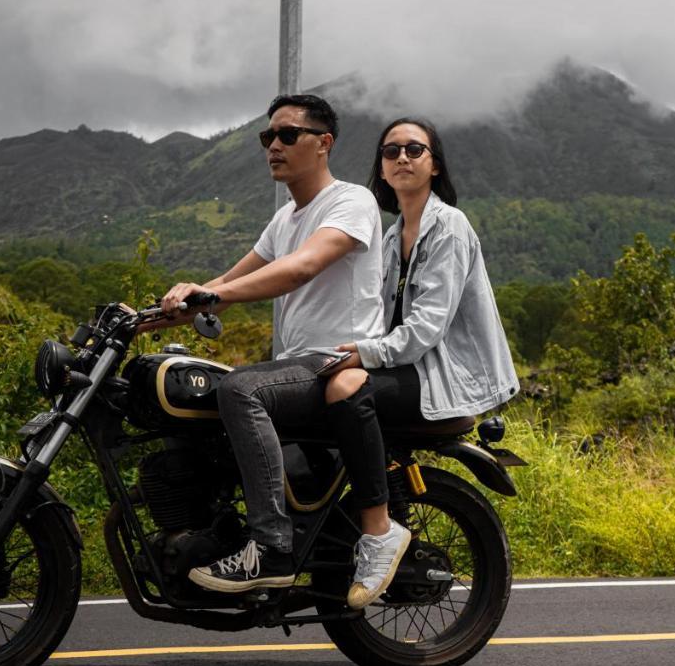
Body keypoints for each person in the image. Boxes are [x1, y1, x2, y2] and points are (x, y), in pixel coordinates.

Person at [151, 93, 388, 593]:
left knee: (240, 388)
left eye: (286, 135)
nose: (273, 146)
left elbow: (299, 268)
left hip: (334, 362)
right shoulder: (285, 219)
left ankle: (271, 547)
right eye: (267, 137)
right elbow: (224, 288)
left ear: (323, 143)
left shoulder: (351, 201)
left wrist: (211, 293)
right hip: (298, 365)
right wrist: (145, 319)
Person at [324, 117, 519, 609]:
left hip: (444, 376)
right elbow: (376, 318)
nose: (403, 158)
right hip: (409, 368)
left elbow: (426, 329)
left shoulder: (448, 226)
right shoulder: (393, 238)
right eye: (391, 152)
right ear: (382, 171)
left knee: (349, 391)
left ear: (434, 165)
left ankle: (379, 533)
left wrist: (362, 354)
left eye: (415, 149)